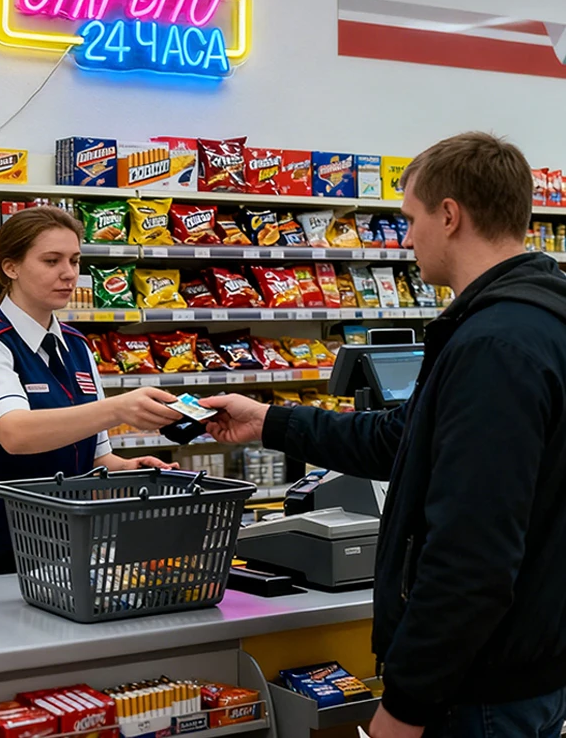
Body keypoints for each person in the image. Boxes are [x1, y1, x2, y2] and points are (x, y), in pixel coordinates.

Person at [202, 132, 566, 738]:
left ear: (449, 216)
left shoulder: (496, 346)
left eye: (411, 218)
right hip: (522, 673)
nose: (406, 236)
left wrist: (406, 706)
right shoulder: (530, 321)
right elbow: (402, 440)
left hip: (477, 694)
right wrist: (269, 421)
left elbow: (471, 557)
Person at [0, 205, 182, 580]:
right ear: (10, 267)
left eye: (74, 260)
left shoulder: (77, 346)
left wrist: (127, 470)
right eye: (51, 261)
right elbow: (16, 434)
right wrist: (119, 408)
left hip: (65, 540)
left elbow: (96, 457)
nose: (69, 274)